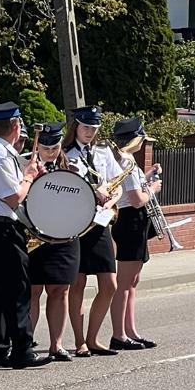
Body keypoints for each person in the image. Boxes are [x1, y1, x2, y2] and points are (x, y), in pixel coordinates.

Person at [0, 102, 51, 370]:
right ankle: (22, 349)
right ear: (16, 126)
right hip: (2, 227)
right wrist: (28, 176)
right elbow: (13, 197)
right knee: (17, 288)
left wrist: (28, 176)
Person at [65, 107, 122, 357]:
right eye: (86, 127)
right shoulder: (65, 154)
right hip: (77, 223)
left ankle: (93, 337)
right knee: (77, 283)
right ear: (76, 126)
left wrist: (110, 202)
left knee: (109, 283)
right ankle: (80, 342)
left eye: (94, 128)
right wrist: (91, 192)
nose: (90, 132)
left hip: (100, 223)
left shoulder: (103, 152)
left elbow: (118, 185)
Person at [25, 123, 80, 361]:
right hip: (34, 236)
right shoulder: (24, 165)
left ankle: (56, 345)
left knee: (60, 290)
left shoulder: (73, 166)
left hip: (64, 236)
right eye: (45, 147)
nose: (49, 152)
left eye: (54, 147)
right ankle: (26, 342)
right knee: (33, 290)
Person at [108, 116, 161, 351]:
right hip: (130, 221)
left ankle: (130, 331)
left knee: (133, 281)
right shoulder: (126, 162)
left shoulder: (127, 161)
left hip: (136, 222)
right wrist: (153, 188)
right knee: (125, 282)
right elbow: (137, 199)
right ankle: (119, 334)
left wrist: (146, 176)